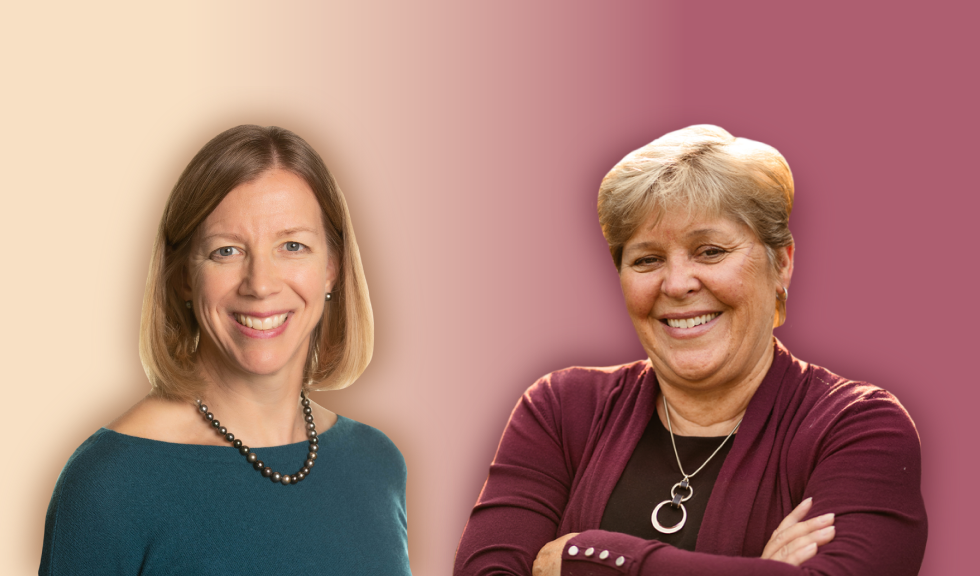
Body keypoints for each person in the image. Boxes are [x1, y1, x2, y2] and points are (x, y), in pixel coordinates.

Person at [454, 125, 927, 575]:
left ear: (780, 263)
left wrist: (587, 558)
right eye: (647, 259)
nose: (677, 284)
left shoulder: (858, 427)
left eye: (710, 251)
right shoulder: (561, 410)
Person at [40, 125, 411, 575]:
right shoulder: (111, 482)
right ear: (181, 278)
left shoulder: (377, 464)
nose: (260, 284)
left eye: (292, 246)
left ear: (331, 268)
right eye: (226, 251)